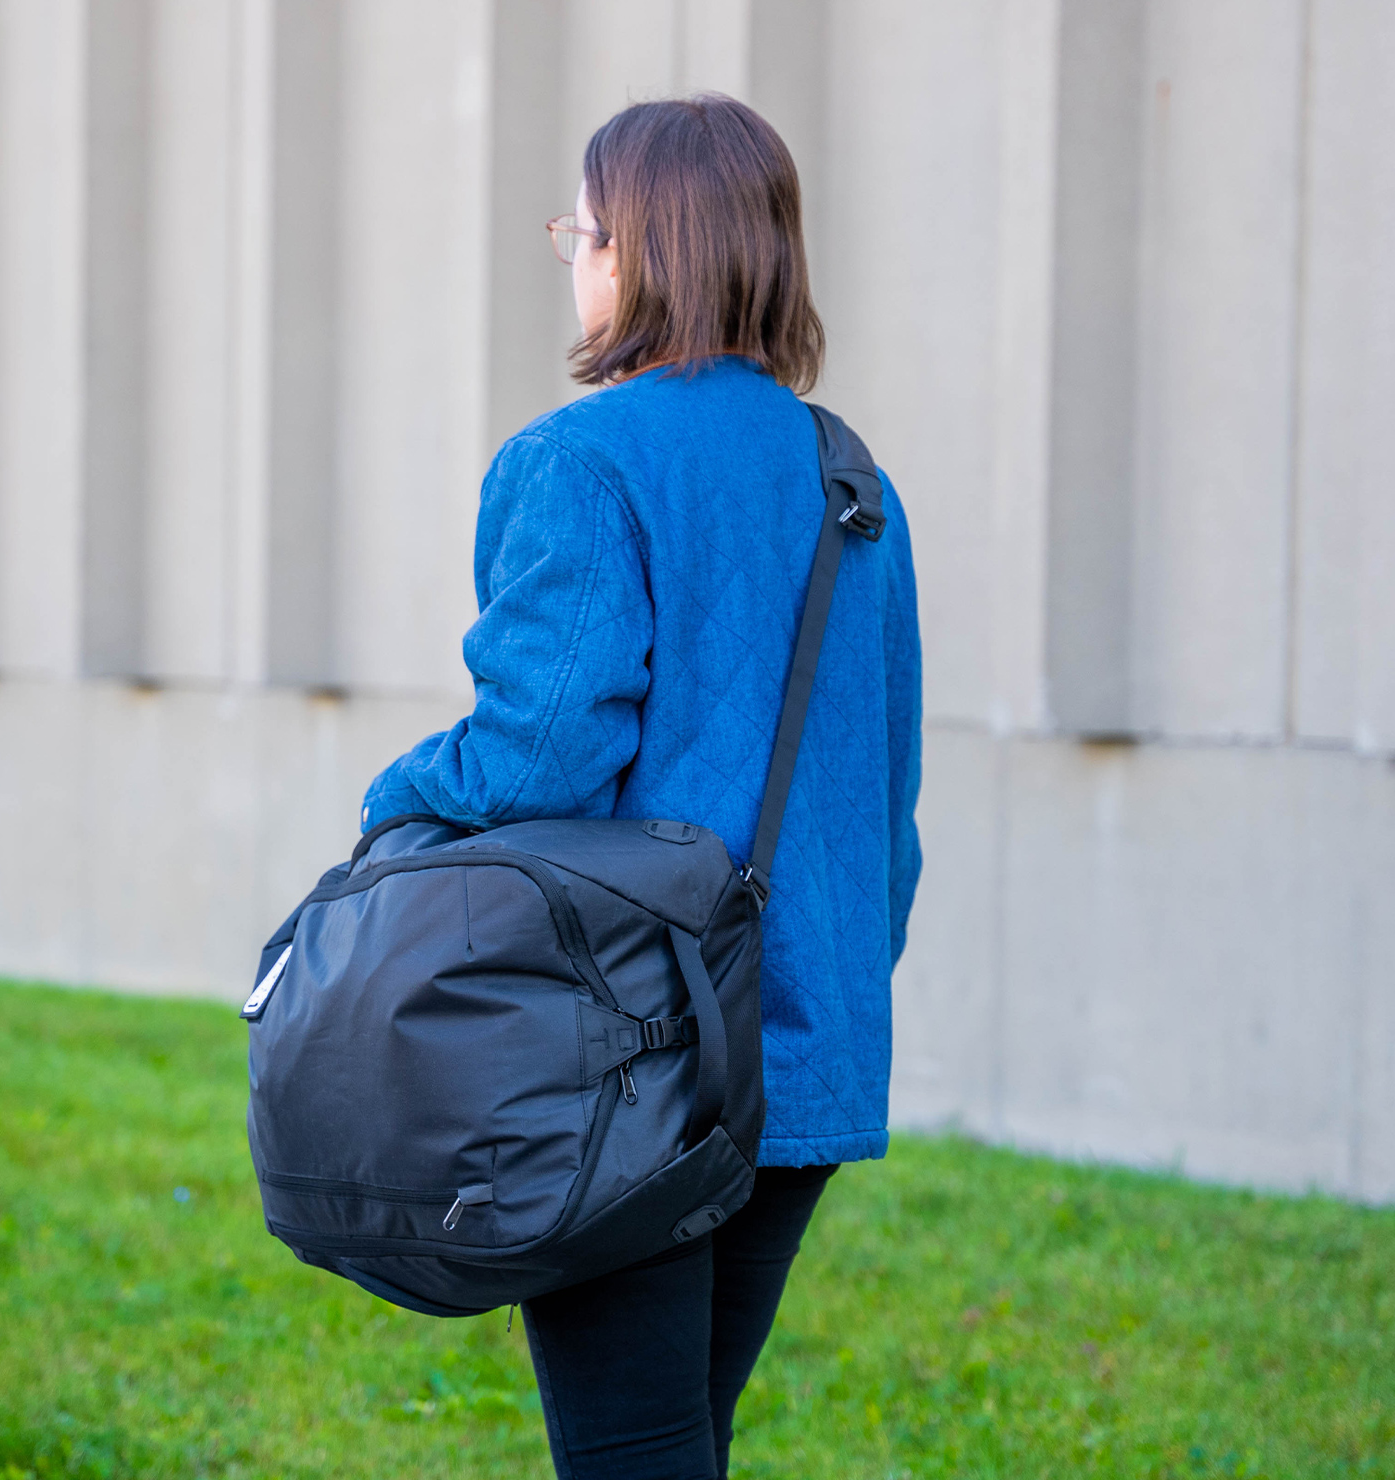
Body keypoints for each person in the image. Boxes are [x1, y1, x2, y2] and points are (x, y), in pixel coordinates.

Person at [359, 93, 922, 1480]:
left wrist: (393, 796)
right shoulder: (851, 479)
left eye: (585, 228)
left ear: (641, 251)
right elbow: (885, 797)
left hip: (633, 1056)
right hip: (801, 1040)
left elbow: (537, 753)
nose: (574, 254)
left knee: (631, 1451)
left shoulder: (577, 463)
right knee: (682, 1437)